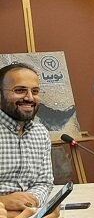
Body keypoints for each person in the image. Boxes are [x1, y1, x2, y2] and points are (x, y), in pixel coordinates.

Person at [0, 63, 56, 218]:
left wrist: (29, 203)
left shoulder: (40, 133)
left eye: (35, 91)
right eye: (20, 90)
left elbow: (44, 183)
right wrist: (3, 201)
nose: (30, 98)